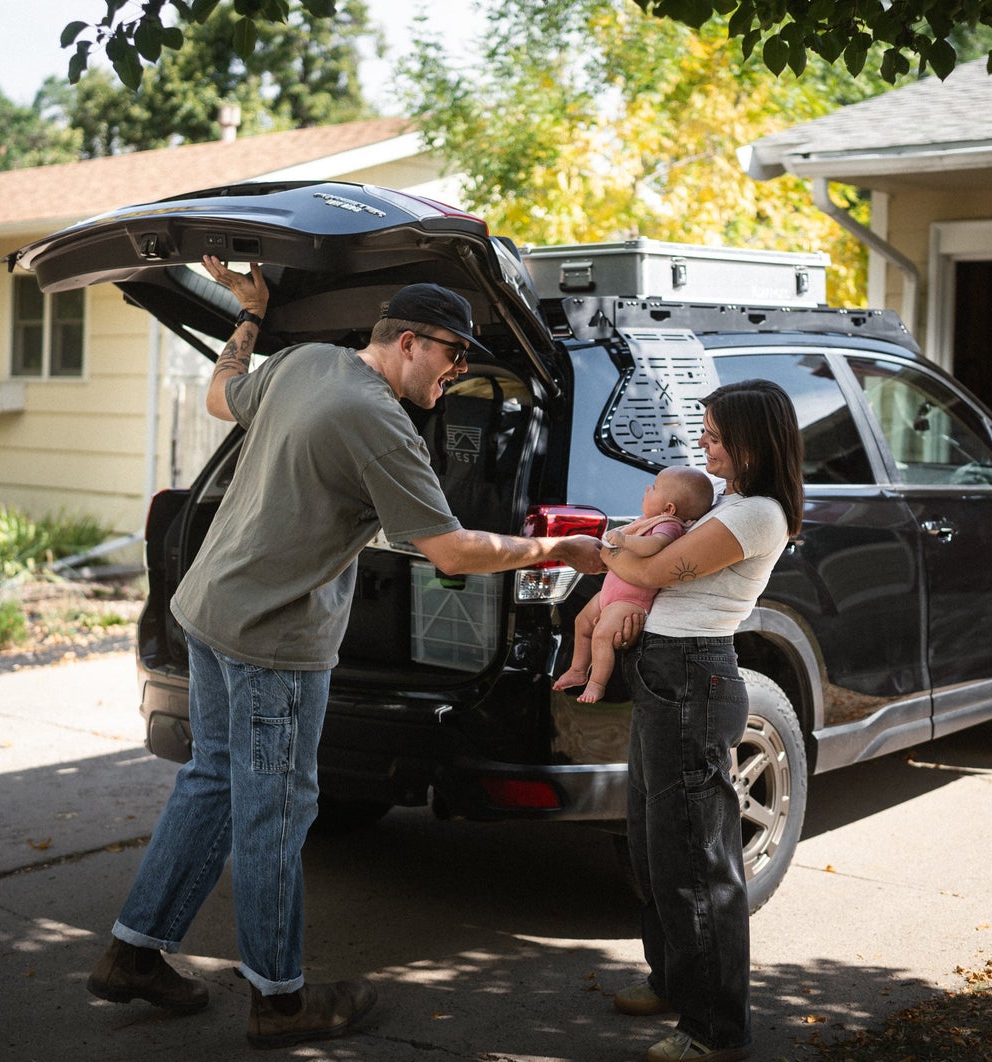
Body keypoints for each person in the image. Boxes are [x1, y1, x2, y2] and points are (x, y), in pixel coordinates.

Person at [85, 256, 606, 1049]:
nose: (459, 370)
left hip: (211, 613)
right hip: (272, 643)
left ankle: (133, 953)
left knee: (212, 780)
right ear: (410, 342)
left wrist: (250, 317)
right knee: (275, 813)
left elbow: (222, 393)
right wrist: (556, 551)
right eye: (453, 353)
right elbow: (452, 552)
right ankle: (280, 1001)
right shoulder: (379, 421)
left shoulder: (303, 362)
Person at [597, 379, 803, 1062]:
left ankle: (715, 1028)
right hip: (665, 671)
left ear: (751, 443)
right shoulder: (727, 501)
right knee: (652, 840)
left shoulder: (758, 514)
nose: (703, 445)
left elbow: (657, 567)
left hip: (694, 676)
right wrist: (624, 549)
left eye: (714, 435)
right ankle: (672, 981)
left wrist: (612, 547)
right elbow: (647, 545)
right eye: (705, 432)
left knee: (695, 855)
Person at [552, 466, 715, 704]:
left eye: (654, 488)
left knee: (602, 635)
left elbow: (656, 545)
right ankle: (578, 670)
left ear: (669, 509)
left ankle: (596, 684)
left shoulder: (668, 525)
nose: (647, 488)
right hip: (610, 595)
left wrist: (625, 541)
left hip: (629, 601)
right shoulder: (646, 521)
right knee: (582, 622)